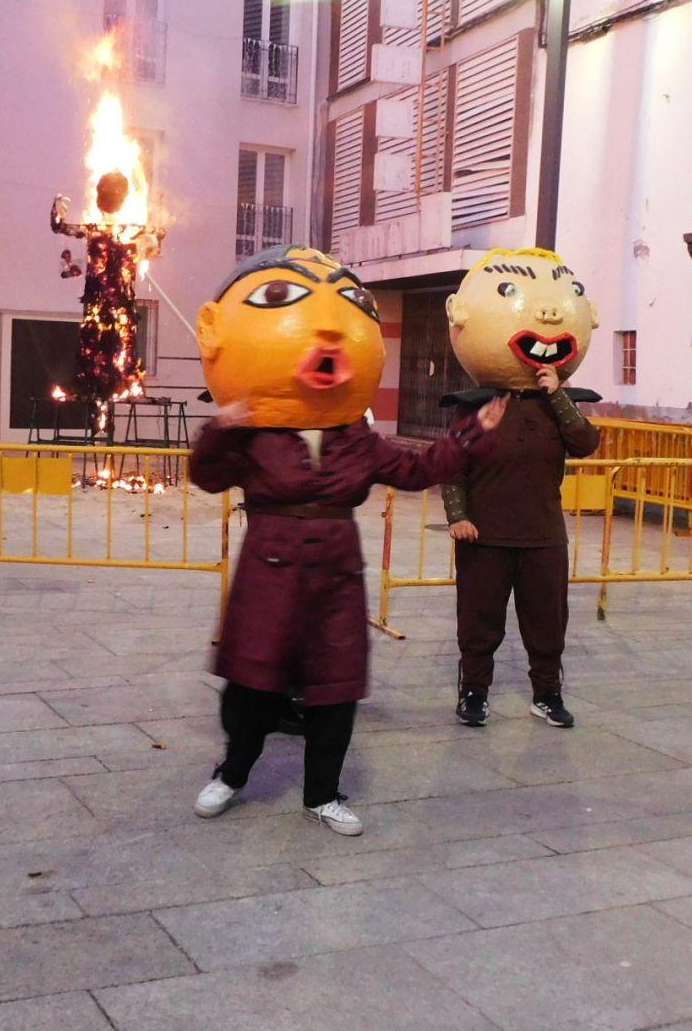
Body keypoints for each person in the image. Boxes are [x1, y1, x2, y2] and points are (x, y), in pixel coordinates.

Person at [187, 245, 505, 834]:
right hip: (270, 565)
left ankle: (323, 794)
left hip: (336, 571)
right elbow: (206, 478)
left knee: (334, 689)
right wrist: (222, 428)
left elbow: (415, 471)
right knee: (252, 684)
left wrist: (469, 433)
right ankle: (231, 773)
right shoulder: (257, 433)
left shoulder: (356, 439)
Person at [438, 248, 603, 728]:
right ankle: (474, 692)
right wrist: (457, 516)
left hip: (543, 535)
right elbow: (453, 466)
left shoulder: (559, 405)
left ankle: (547, 694)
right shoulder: (475, 407)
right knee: (478, 620)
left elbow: (586, 443)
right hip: (484, 536)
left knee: (547, 622)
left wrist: (556, 393)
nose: (550, 314)